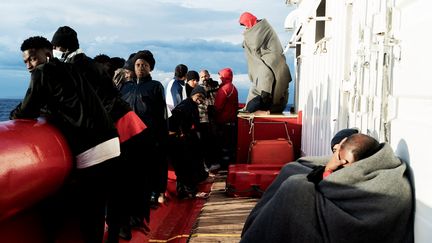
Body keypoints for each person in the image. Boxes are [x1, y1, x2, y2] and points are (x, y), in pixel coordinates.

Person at [10, 36, 121, 243]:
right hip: (111, 141)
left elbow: (26, 110)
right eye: (25, 61)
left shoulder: (42, 72)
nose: (29, 65)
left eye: (32, 59)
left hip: (92, 148)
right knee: (107, 208)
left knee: (90, 216)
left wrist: (15, 114)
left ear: (48, 54)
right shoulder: (70, 69)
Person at [51, 26, 146, 242]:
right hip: (127, 127)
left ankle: (114, 230)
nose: (54, 51)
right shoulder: (92, 65)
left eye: (55, 47)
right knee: (120, 184)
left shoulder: (74, 68)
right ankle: (120, 229)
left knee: (105, 192)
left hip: (116, 130)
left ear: (63, 47)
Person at [241, 133, 414, 243]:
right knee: (291, 170)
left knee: (294, 190)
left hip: (344, 232)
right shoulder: (372, 161)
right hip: (335, 215)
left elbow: (329, 188)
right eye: (337, 154)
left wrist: (329, 169)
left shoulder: (390, 183)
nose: (338, 160)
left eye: (343, 162)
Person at [119, 50, 169, 237]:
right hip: (126, 141)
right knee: (127, 182)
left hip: (146, 141)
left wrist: (160, 140)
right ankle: (127, 217)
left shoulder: (155, 87)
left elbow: (161, 116)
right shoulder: (125, 87)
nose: (141, 68)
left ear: (150, 68)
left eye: (145, 65)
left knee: (143, 182)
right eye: (138, 64)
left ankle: (139, 218)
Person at [239, 12, 292, 114]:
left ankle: (257, 110)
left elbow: (253, 43)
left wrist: (246, 38)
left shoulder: (261, 30)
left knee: (254, 99)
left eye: (245, 25)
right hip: (275, 69)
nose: (245, 29)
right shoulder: (263, 28)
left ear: (249, 22)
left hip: (269, 70)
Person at [168, 86, 209, 198]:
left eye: (203, 97)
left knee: (183, 166)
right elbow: (174, 118)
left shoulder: (192, 105)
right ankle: (192, 191)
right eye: (199, 96)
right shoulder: (185, 105)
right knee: (186, 166)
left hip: (183, 138)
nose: (200, 99)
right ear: (193, 95)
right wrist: (178, 133)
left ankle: (182, 191)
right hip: (178, 139)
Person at [214, 68, 239, 170]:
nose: (220, 77)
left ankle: (223, 167)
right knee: (230, 147)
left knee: (223, 146)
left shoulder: (224, 89)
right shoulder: (233, 88)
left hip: (224, 123)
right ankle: (230, 166)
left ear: (224, 76)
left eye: (221, 76)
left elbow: (217, 107)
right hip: (232, 122)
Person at [198, 70, 219, 170]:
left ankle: (215, 161)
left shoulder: (215, 86)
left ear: (209, 75)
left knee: (214, 138)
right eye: (202, 77)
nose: (204, 78)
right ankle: (207, 163)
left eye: (205, 76)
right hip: (204, 117)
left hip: (214, 116)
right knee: (205, 140)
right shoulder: (199, 88)